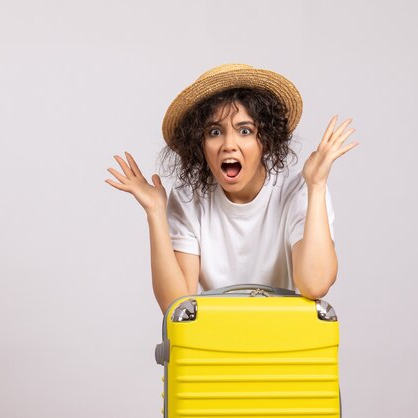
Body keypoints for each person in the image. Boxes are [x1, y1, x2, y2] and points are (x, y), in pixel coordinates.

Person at [106, 64, 358, 313]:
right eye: (215, 132)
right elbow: (178, 307)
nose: (229, 144)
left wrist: (316, 186)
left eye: (245, 130)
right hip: (215, 345)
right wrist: (155, 212)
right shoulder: (188, 199)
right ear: (200, 144)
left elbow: (315, 284)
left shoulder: (298, 190)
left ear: (266, 141)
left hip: (286, 344)